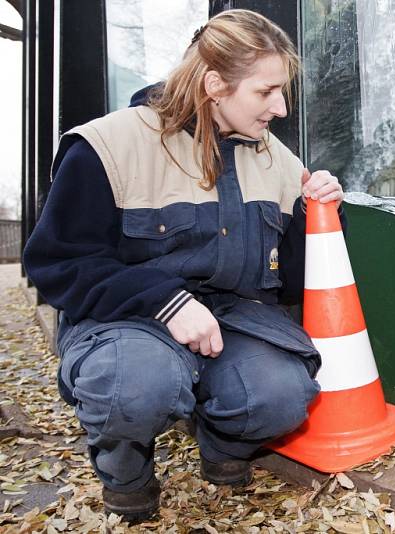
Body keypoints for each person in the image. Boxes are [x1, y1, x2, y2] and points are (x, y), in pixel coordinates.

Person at [22, 9, 344, 523]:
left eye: (282, 92)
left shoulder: (276, 158)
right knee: (135, 386)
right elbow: (57, 264)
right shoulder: (106, 145)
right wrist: (165, 302)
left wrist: (315, 213)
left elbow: (295, 282)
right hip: (125, 321)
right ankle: (127, 471)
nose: (281, 108)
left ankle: (222, 444)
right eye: (266, 92)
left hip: (232, 319)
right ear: (215, 84)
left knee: (283, 396)